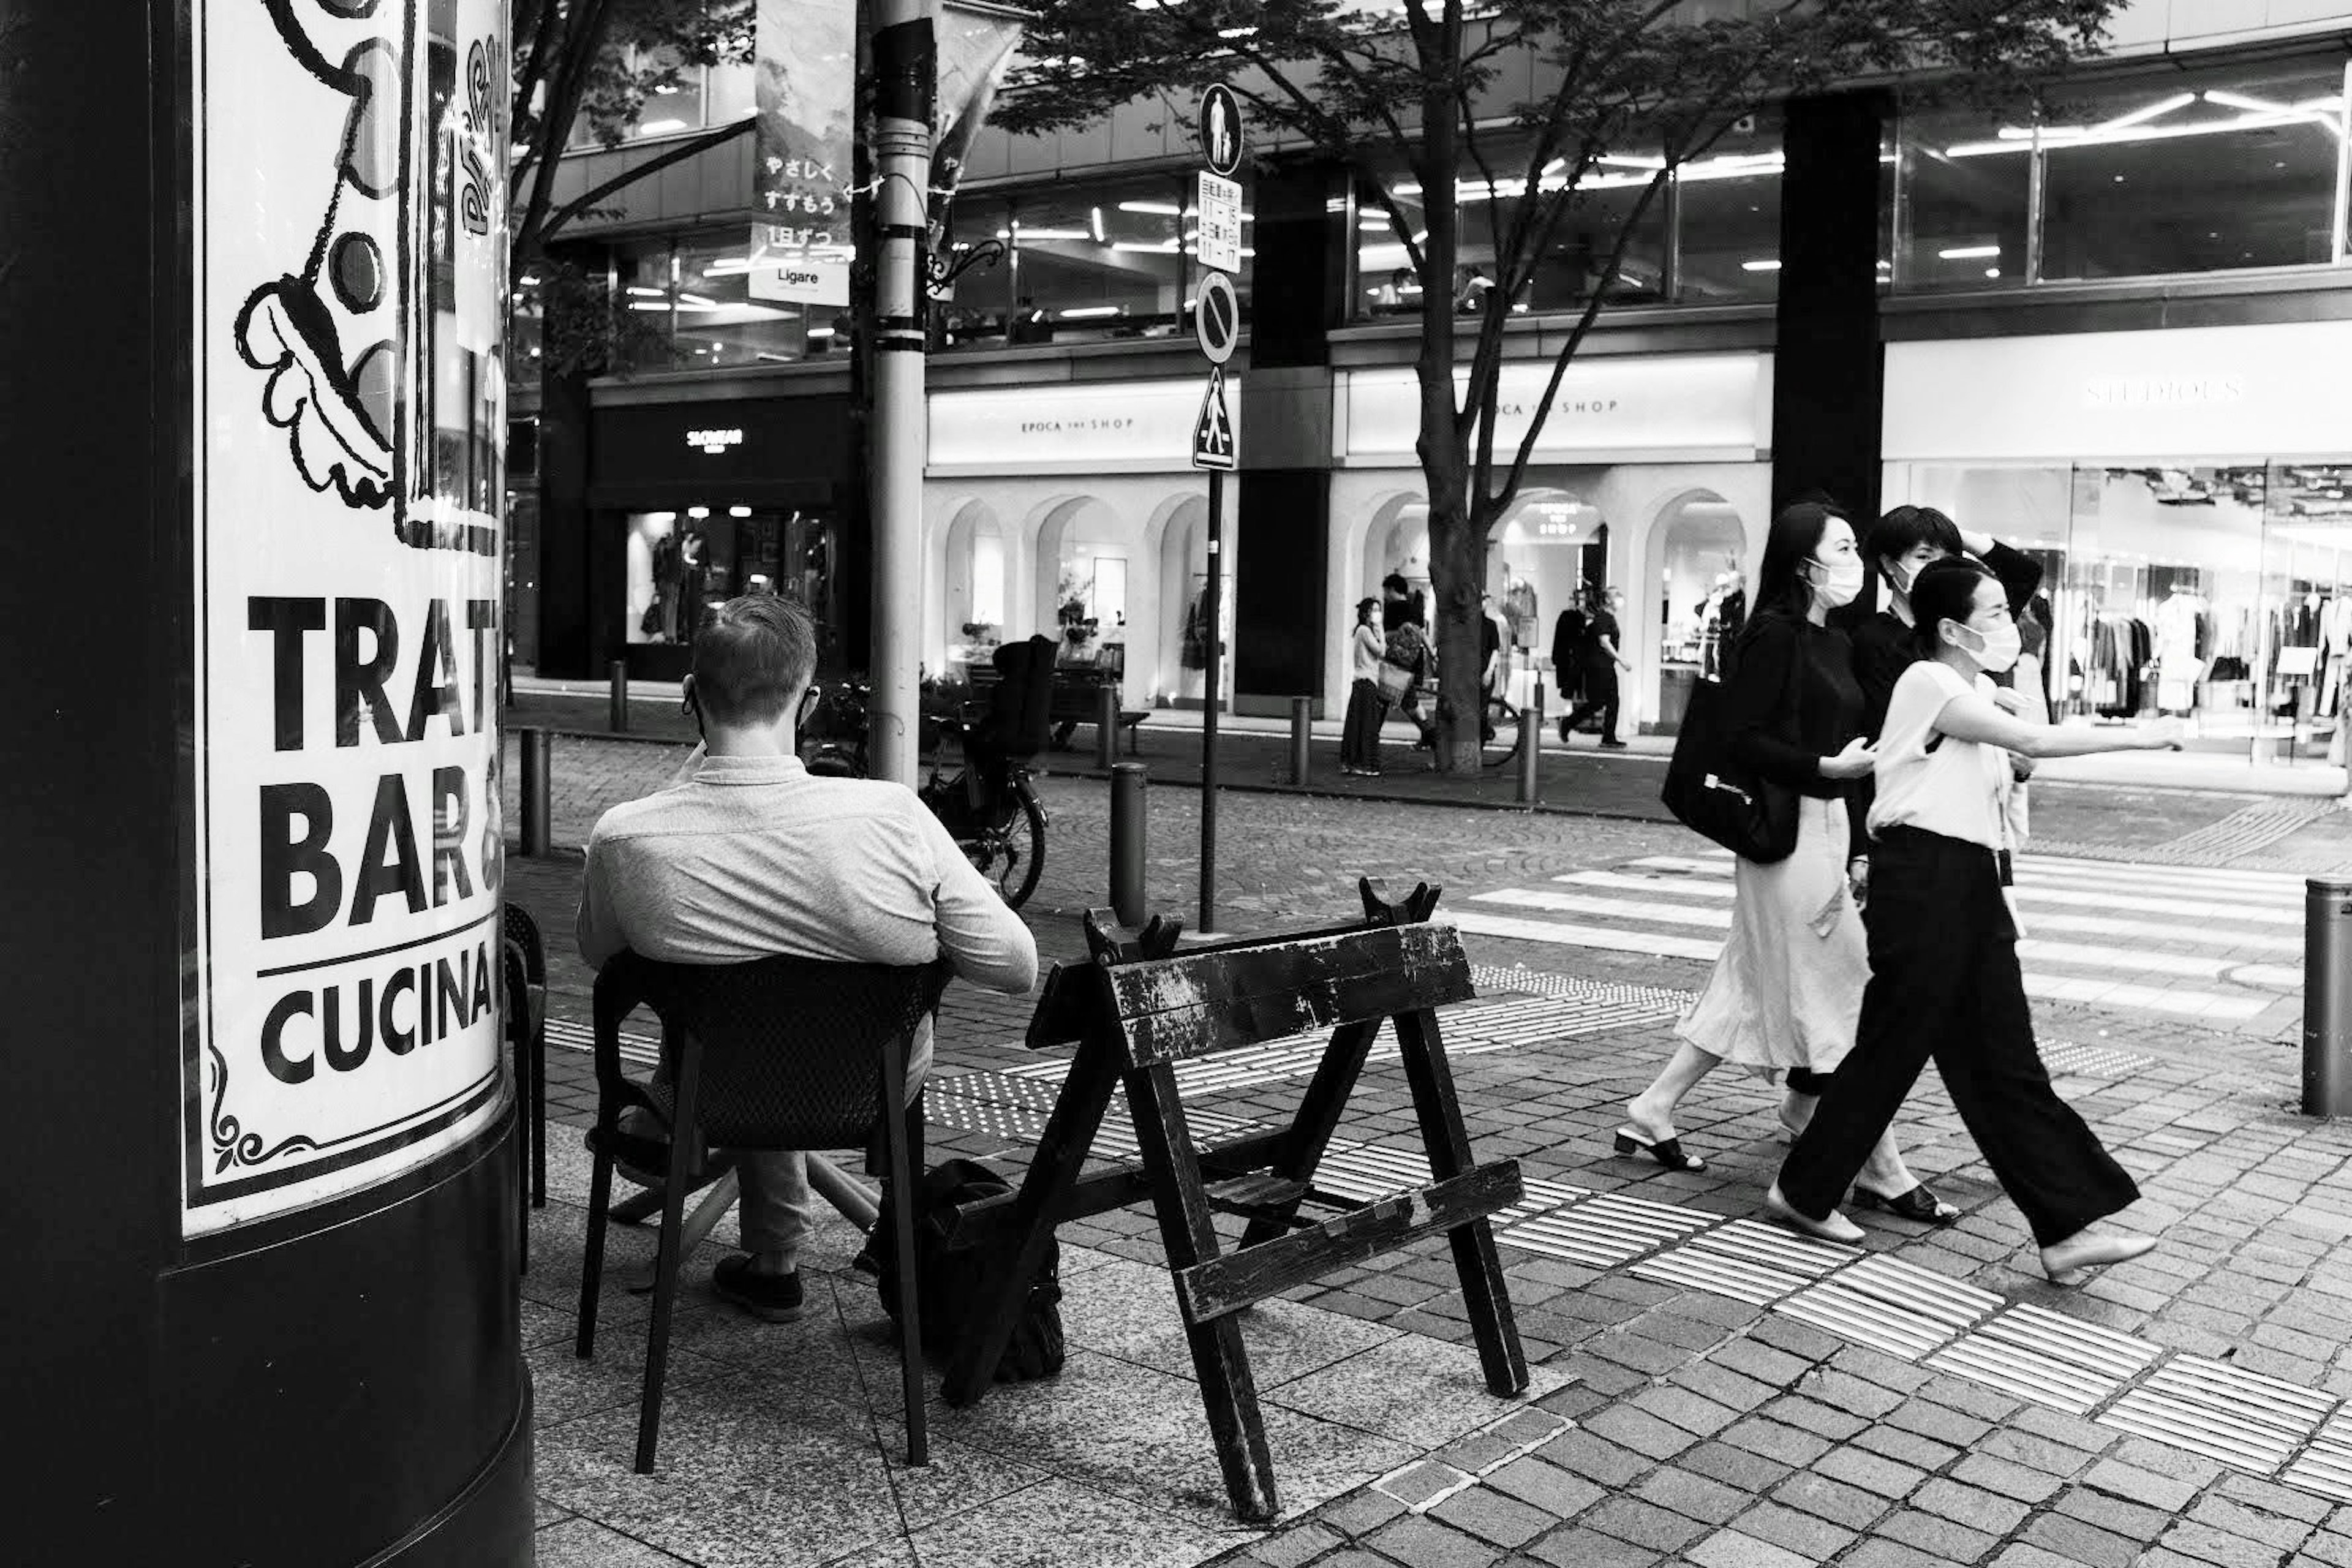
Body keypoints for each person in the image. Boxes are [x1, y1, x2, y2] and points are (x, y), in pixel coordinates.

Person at [576, 595, 1040, 1322]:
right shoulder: (893, 818)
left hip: (710, 1091)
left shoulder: (627, 837)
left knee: (740, 1017)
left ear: (691, 698)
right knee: (795, 1014)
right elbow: (1016, 966)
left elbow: (593, 949)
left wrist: (683, 792)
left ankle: (765, 1253)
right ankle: (776, 1256)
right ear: (811, 702)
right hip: (872, 1088)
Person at [1771, 559, 2182, 1279]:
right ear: (1952, 628)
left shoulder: (1980, 692)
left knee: (2002, 1059)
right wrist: (2145, 737)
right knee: (1898, 1046)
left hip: (1969, 882)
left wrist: (2019, 728)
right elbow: (2035, 745)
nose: (2010, 624)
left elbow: (2014, 772)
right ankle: (1804, 1189)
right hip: (1926, 879)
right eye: (1993, 612)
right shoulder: (1928, 681)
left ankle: (2064, 1228)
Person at [1619, 503, 1943, 1221]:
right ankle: (1879, 1166)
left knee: (1744, 985)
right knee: (1846, 1000)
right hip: (1784, 839)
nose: (1856, 560)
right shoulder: (1773, 636)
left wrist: (1855, 825)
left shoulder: (1833, 640)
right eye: (1846, 547)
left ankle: (1652, 1108)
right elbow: (1741, 741)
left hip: (1825, 826)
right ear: (1806, 562)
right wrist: (1824, 764)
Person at [1560, 587, 1631, 748]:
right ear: (1607, 600)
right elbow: (1604, 642)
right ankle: (1570, 723)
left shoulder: (1607, 618)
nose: (1620, 598)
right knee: (1600, 702)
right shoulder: (1604, 618)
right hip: (1599, 666)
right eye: (1617, 595)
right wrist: (1621, 661)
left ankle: (1607, 736)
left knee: (1608, 701)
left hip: (1603, 665)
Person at [1340, 597, 1389, 776]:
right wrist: (1380, 628)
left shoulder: (1363, 631)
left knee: (1360, 723)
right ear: (1366, 612)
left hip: (1364, 681)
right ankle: (1363, 763)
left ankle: (1354, 762)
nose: (1377, 613)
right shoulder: (1364, 631)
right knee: (1366, 724)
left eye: (1379, 609)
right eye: (1374, 610)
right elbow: (1381, 651)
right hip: (1366, 681)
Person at [1550, 589, 1588, 712]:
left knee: (1575, 687)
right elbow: (1560, 639)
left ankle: (1573, 712)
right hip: (1570, 658)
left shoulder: (1583, 617)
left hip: (1577, 658)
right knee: (1570, 687)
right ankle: (1570, 713)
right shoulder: (1568, 617)